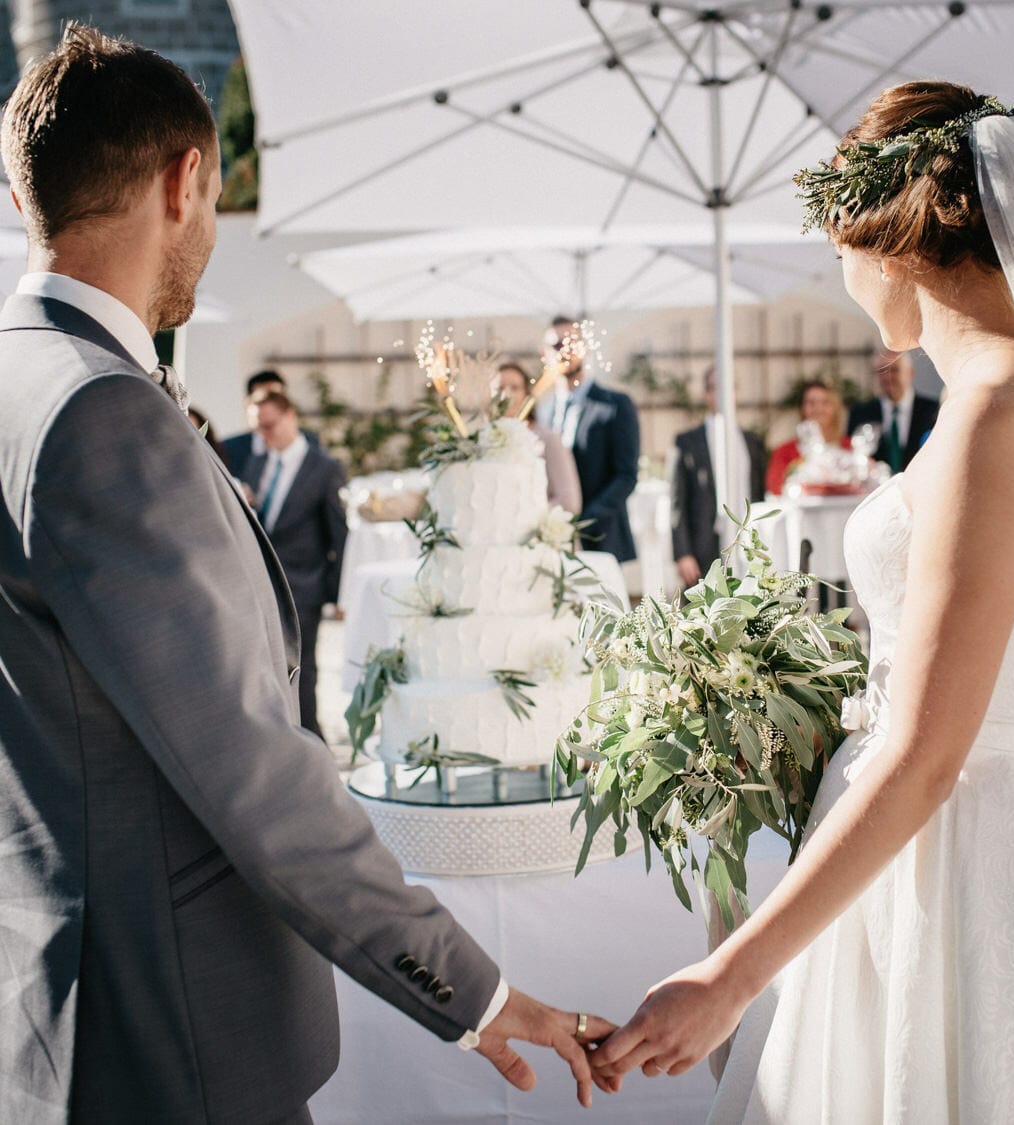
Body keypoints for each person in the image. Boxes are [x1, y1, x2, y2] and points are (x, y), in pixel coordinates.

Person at [0, 26, 613, 1122]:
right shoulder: (102, 412)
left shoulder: (17, 373)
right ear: (184, 181)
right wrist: (476, 992)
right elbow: (252, 769)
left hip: (59, 987)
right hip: (172, 1026)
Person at [591, 81, 1014, 1120]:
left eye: (837, 249)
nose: (841, 278)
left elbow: (929, 754)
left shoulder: (993, 417)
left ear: (885, 242)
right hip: (992, 825)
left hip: (958, 862)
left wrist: (729, 977)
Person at [243, 389, 348, 737]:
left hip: (304, 587)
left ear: (290, 417)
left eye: (269, 425)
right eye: (258, 428)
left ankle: (315, 749)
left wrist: (336, 595)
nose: (264, 434)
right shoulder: (258, 463)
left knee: (303, 676)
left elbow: (340, 536)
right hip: (261, 587)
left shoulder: (325, 468)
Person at [546, 316, 640, 561]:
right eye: (556, 345)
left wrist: (583, 521)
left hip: (602, 538)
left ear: (584, 347)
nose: (563, 351)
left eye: (570, 342)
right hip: (551, 544)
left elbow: (626, 476)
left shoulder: (616, 405)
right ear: (545, 353)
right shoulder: (543, 411)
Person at [671, 366, 766, 587]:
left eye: (728, 387)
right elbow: (677, 502)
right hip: (703, 545)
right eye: (716, 387)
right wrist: (682, 552)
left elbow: (760, 494)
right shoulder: (687, 442)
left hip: (749, 543)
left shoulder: (753, 442)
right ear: (707, 393)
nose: (722, 394)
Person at [498, 360, 582, 514]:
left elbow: (569, 502)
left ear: (526, 394)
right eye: (500, 388)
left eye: (515, 388)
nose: (506, 394)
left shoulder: (548, 439)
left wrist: (520, 518)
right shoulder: (482, 442)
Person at [848, 348, 941, 472]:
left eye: (894, 370)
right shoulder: (860, 413)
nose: (888, 377)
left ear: (910, 373)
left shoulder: (933, 411)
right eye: (882, 371)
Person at [223, 367, 319, 481]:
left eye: (275, 398)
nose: (268, 404)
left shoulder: (309, 443)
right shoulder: (228, 448)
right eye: (261, 399)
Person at [764, 379, 852, 495]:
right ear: (802, 409)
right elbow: (775, 488)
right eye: (811, 403)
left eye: (825, 403)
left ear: (836, 409)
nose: (818, 409)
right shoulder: (784, 452)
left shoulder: (850, 447)